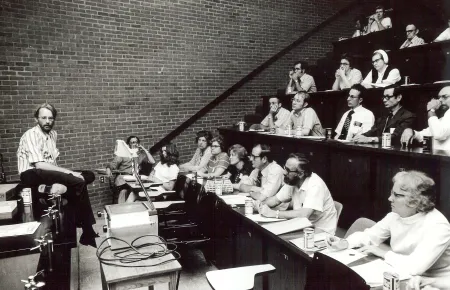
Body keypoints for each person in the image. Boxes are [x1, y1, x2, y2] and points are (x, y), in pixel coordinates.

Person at [326, 171, 450, 281]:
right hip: (401, 272)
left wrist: (384, 253)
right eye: (391, 193)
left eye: (397, 195)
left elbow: (415, 267)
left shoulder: (438, 226)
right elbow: (369, 235)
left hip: (433, 282)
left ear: (416, 201)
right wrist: (346, 243)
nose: (390, 198)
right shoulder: (395, 215)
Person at [17, 103, 98, 247]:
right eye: (44, 118)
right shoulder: (31, 134)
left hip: (47, 173)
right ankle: (87, 230)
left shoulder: (53, 134)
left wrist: (69, 175)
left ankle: (80, 226)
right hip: (31, 175)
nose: (48, 121)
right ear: (36, 119)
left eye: (51, 118)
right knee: (78, 181)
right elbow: (39, 164)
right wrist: (70, 173)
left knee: (89, 175)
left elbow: (52, 165)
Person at [259, 154, 337, 235]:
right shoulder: (293, 181)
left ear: (300, 174)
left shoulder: (315, 185)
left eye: (288, 170)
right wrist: (260, 204)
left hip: (321, 232)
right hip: (302, 226)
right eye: (285, 167)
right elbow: (275, 200)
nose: (284, 172)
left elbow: (304, 214)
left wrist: (275, 214)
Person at [106, 136, 155, 203]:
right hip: (123, 179)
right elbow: (113, 164)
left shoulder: (140, 155)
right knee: (124, 191)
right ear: (128, 144)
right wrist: (108, 169)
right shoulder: (122, 154)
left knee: (140, 190)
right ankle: (121, 209)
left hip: (135, 179)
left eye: (136, 142)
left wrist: (144, 150)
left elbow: (152, 161)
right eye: (132, 142)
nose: (134, 144)